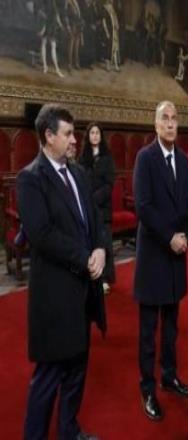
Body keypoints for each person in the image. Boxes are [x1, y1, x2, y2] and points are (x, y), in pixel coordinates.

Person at [17, 103, 106, 440]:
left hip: (84, 293)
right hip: (54, 297)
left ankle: (69, 431)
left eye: (74, 133)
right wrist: (85, 257)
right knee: (49, 377)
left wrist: (100, 248)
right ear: (48, 136)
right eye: (68, 133)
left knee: (77, 370)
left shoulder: (79, 173)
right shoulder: (30, 179)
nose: (74, 140)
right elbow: (42, 235)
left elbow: (95, 220)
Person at [133, 100, 188, 422]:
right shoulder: (145, 158)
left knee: (171, 328)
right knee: (148, 332)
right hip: (154, 256)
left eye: (174, 118)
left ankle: (169, 377)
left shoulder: (184, 161)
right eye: (165, 119)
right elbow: (143, 207)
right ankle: (148, 389)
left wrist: (185, 236)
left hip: (176, 257)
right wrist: (170, 236)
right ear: (156, 125)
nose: (170, 124)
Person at [79, 122, 116, 294]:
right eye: (92, 133)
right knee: (89, 243)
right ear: (88, 136)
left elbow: (109, 184)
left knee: (104, 243)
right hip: (86, 208)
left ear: (101, 136)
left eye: (97, 133)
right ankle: (92, 276)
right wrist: (87, 200)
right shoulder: (82, 158)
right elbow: (79, 180)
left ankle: (105, 279)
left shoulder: (107, 158)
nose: (94, 135)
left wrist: (94, 199)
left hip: (102, 207)